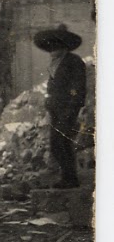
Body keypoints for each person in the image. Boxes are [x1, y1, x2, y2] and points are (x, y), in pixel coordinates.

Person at [35, 24, 87, 189]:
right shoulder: (55, 63)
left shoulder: (73, 61)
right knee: (58, 144)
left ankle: (70, 179)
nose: (52, 48)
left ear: (64, 45)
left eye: (56, 44)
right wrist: (49, 101)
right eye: (50, 45)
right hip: (56, 111)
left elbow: (77, 88)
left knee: (60, 143)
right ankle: (68, 178)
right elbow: (52, 88)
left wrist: (71, 108)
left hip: (67, 110)